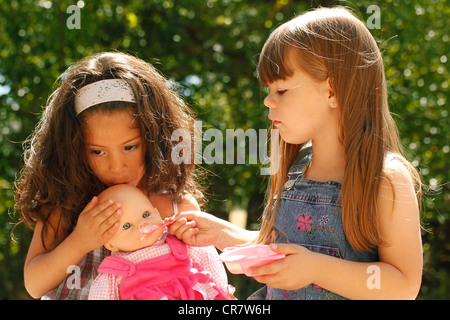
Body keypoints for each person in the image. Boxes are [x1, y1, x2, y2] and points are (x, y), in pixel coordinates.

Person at [171, 7, 423, 300]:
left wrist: (315, 269)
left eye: (281, 90)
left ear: (332, 92)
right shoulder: (295, 169)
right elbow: (288, 249)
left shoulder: (384, 178)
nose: (268, 101)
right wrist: (221, 234)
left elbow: (403, 285)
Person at [15, 52, 202, 299]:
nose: (117, 167)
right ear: (74, 149)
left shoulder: (177, 207)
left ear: (156, 137)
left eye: (130, 147)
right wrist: (80, 240)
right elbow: (35, 284)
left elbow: (204, 278)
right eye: (97, 151)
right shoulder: (67, 204)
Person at [87, 184, 232, 300]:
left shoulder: (175, 238)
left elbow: (207, 256)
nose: (142, 224)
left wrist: (223, 290)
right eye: (126, 226)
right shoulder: (117, 269)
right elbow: (100, 295)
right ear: (110, 244)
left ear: (156, 212)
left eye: (146, 214)